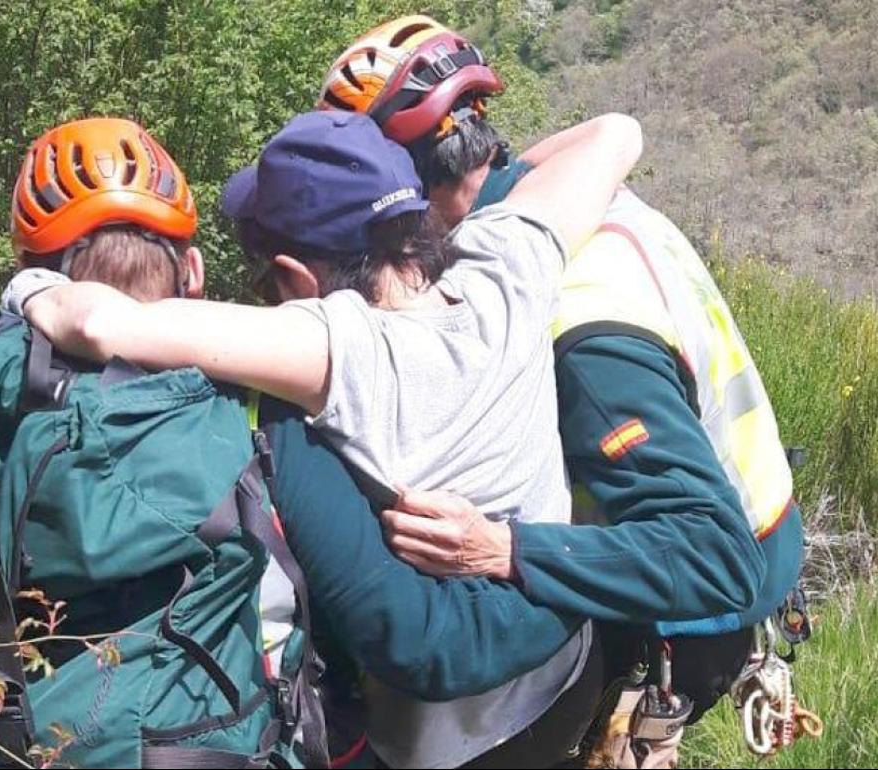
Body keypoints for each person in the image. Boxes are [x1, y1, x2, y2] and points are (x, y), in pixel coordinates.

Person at [2, 106, 643, 767]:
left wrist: (26, 289)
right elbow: (617, 133)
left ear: (300, 282)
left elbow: (107, 327)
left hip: (452, 729)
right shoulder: (508, 259)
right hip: (562, 671)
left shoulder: (332, 345)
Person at [320, 13, 811, 763]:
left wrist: (502, 549)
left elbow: (714, 555)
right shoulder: (565, 201)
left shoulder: (575, 319)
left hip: (697, 606)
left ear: (408, 185)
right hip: (760, 529)